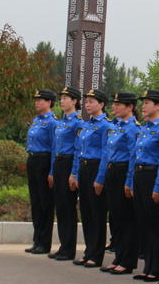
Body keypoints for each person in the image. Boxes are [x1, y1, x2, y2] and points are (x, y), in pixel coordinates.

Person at [128, 89, 159, 281]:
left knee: (153, 223)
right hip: (139, 175)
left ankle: (156, 269)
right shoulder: (144, 129)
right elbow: (134, 156)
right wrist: (130, 181)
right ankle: (147, 267)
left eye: (147, 103)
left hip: (152, 176)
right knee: (143, 222)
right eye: (143, 103)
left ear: (158, 105)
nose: (143, 106)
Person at [70, 89, 112, 268]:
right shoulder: (86, 125)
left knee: (97, 213)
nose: (87, 105)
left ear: (101, 104)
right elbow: (78, 150)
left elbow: (106, 153)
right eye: (86, 102)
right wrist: (75, 173)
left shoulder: (106, 125)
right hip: (84, 167)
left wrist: (100, 178)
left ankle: (97, 254)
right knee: (86, 211)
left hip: (96, 168)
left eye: (91, 102)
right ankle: (88, 251)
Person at [97, 92, 139, 274]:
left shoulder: (133, 128)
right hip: (112, 170)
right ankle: (119, 256)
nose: (114, 107)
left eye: (119, 104)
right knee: (116, 217)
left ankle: (127, 260)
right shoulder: (117, 126)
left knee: (126, 217)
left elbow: (133, 156)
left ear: (130, 107)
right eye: (114, 104)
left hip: (124, 171)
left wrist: (129, 181)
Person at [48, 86, 83, 261]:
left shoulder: (78, 123)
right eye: (61, 98)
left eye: (65, 98)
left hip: (69, 163)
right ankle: (63, 246)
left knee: (68, 207)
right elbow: (55, 148)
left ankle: (69, 249)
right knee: (60, 207)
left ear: (74, 101)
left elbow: (78, 150)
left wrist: (74, 173)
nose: (61, 101)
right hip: (59, 163)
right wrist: (52, 171)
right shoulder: (61, 122)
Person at [25, 89, 58, 255]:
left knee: (45, 202)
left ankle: (45, 243)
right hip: (32, 159)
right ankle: (37, 240)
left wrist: (52, 170)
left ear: (49, 102)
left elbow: (54, 148)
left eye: (41, 100)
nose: (37, 102)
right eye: (36, 100)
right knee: (36, 202)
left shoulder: (52, 122)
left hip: (44, 161)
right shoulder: (36, 120)